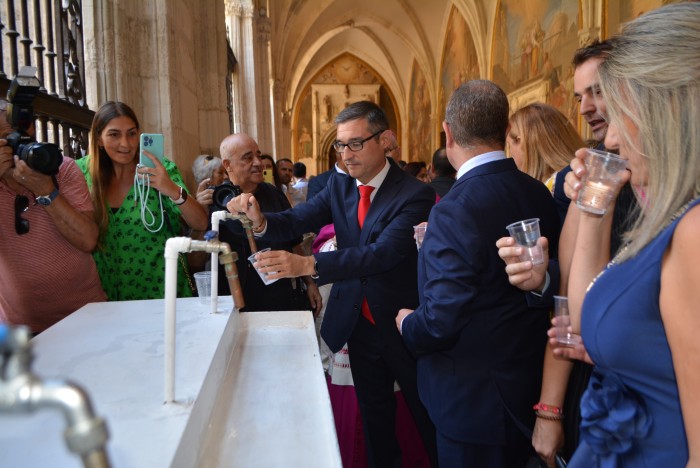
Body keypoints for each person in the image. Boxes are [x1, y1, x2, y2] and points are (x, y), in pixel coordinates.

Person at [227, 101, 438, 467]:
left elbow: (382, 253)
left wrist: (308, 263)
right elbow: (297, 219)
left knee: (426, 419)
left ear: (386, 140)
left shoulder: (414, 194)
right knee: (375, 425)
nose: (346, 154)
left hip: (402, 323)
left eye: (356, 143)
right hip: (361, 325)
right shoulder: (340, 187)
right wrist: (261, 222)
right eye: (340, 145)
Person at [556, 4, 700, 465]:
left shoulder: (694, 233)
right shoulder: (669, 216)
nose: (611, 139)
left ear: (669, 109)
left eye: (620, 112)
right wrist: (594, 208)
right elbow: (583, 317)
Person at [397, 80, 560, 467]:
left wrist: (408, 325)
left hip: (472, 406)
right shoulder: (538, 191)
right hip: (528, 384)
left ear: (448, 132)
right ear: (505, 131)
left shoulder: (454, 207)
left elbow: (440, 321)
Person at [76, 101, 208, 301]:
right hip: (104, 296)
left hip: (161, 293)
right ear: (99, 139)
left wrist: (170, 188)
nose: (125, 144)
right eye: (114, 134)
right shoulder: (80, 173)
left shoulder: (161, 169)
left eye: (131, 133)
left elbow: (200, 222)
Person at [0, 99, 106, 334]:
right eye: (7, 138)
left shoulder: (63, 169)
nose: (17, 146)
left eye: (21, 135)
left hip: (87, 315)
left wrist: (46, 191)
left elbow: (88, 239)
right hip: (21, 331)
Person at [215, 133, 321, 314]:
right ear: (228, 165)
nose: (258, 163)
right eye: (248, 158)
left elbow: (294, 242)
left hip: (279, 298)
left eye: (258, 155)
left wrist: (309, 282)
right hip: (233, 302)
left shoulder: (275, 194)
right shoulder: (216, 199)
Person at [507, 103, 582, 193]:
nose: (509, 154)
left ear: (521, 142)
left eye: (509, 145)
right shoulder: (576, 176)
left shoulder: (552, 190)